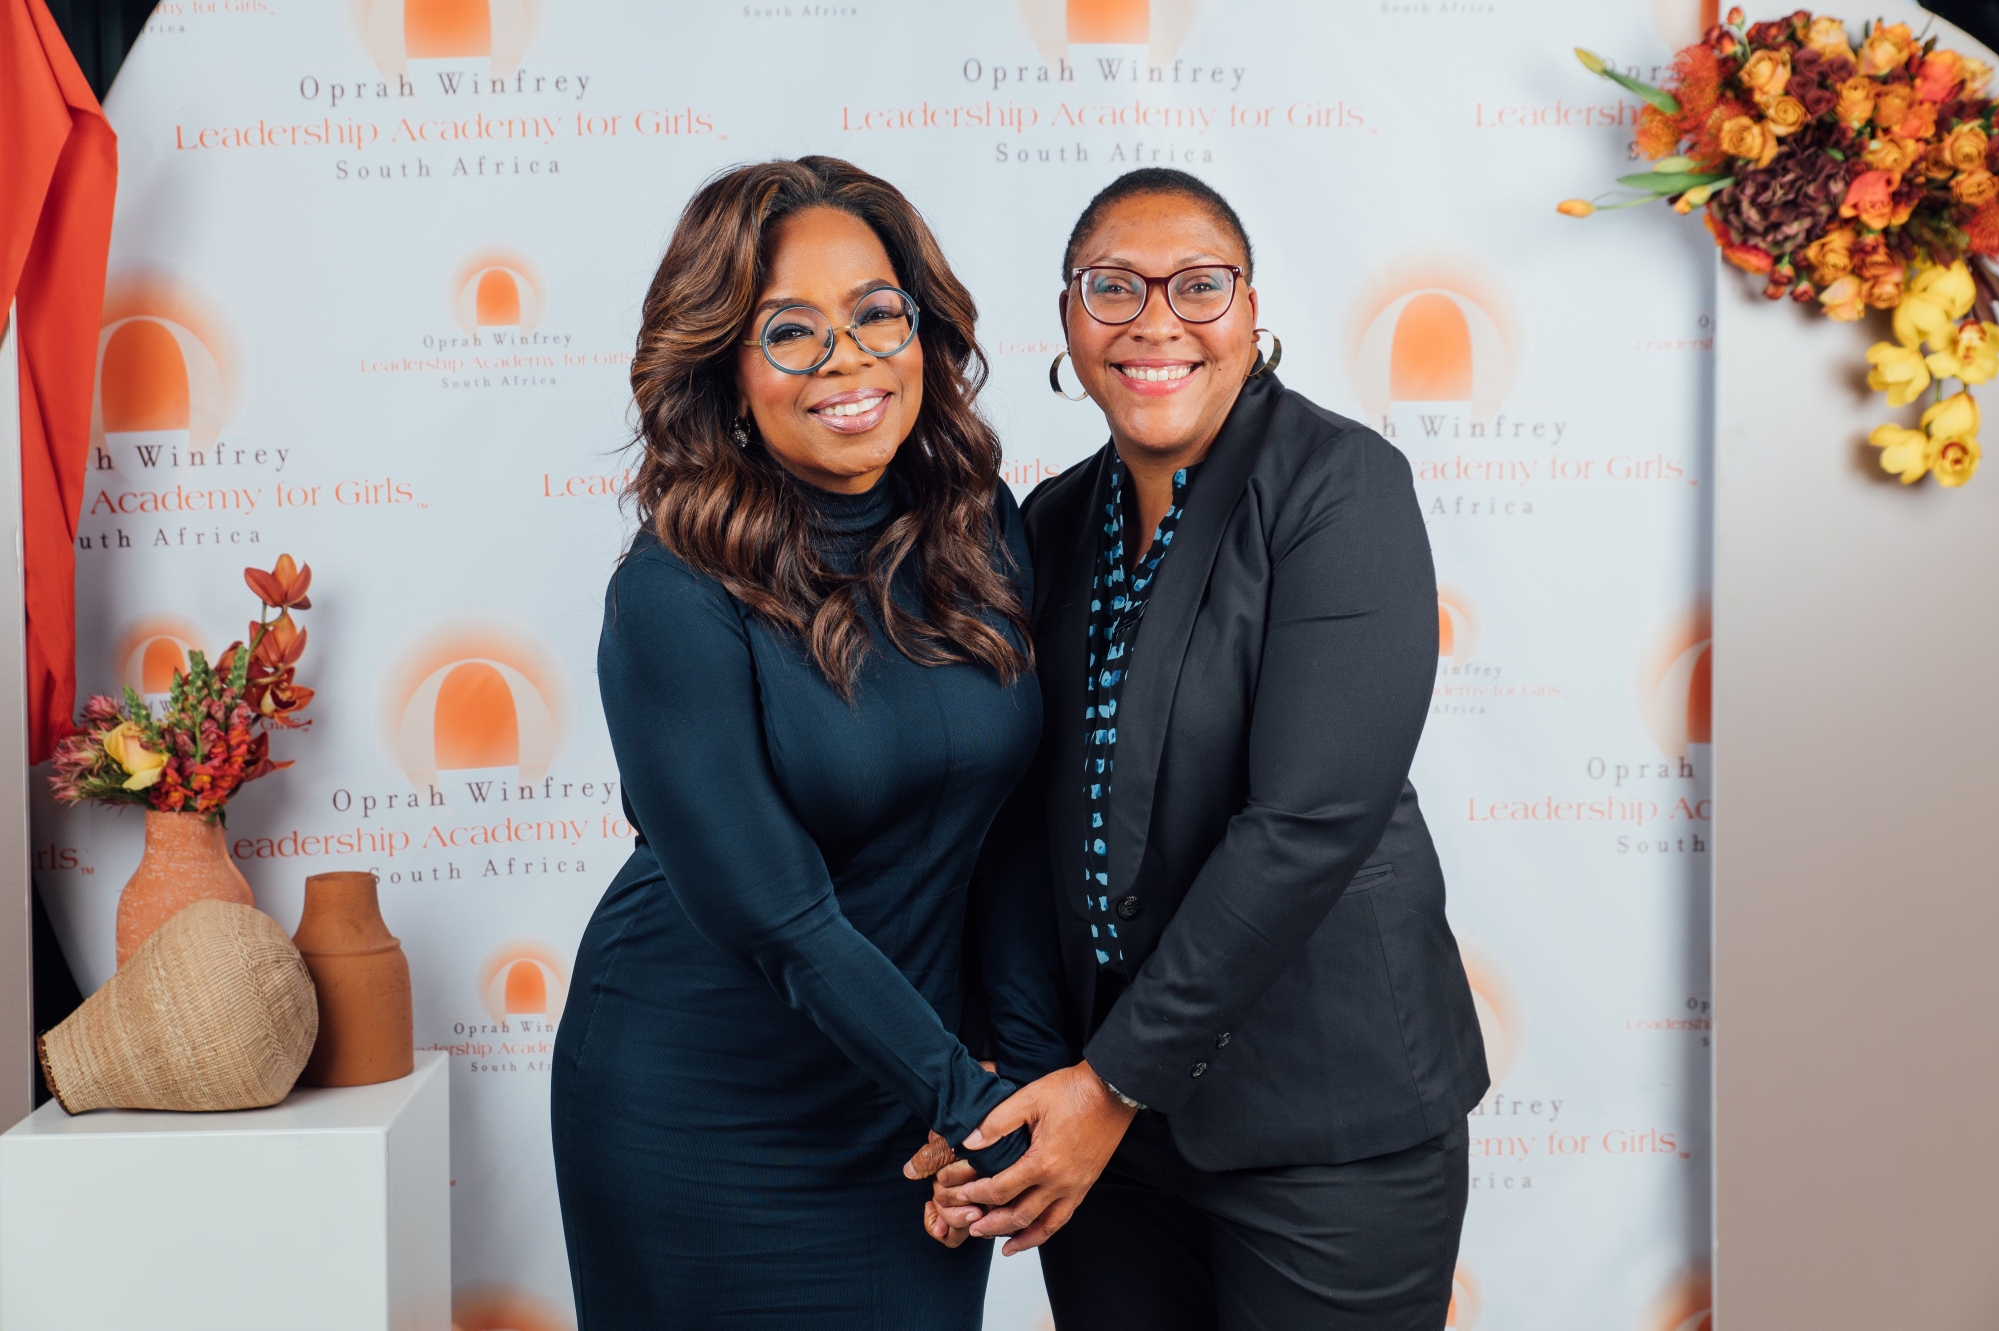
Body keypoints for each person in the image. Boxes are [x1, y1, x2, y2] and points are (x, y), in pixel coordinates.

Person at [922, 168, 1490, 1329]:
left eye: (1198, 285)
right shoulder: (1049, 523)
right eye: (1112, 287)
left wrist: (1110, 1081)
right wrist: (1016, 1082)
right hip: (1103, 1133)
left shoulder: (1339, 484)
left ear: (1249, 311)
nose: (1154, 321)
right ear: (1070, 319)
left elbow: (1309, 820)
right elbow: (1024, 822)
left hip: (1324, 1126)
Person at [551, 156, 1070, 1330]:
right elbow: (776, 918)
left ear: (923, 331)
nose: (846, 357)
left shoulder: (975, 525)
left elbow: (1002, 834)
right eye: (788, 330)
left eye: (876, 313)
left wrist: (1016, 1082)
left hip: (908, 1103)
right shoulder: (672, 595)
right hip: (703, 1106)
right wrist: (972, 1104)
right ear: (726, 371)